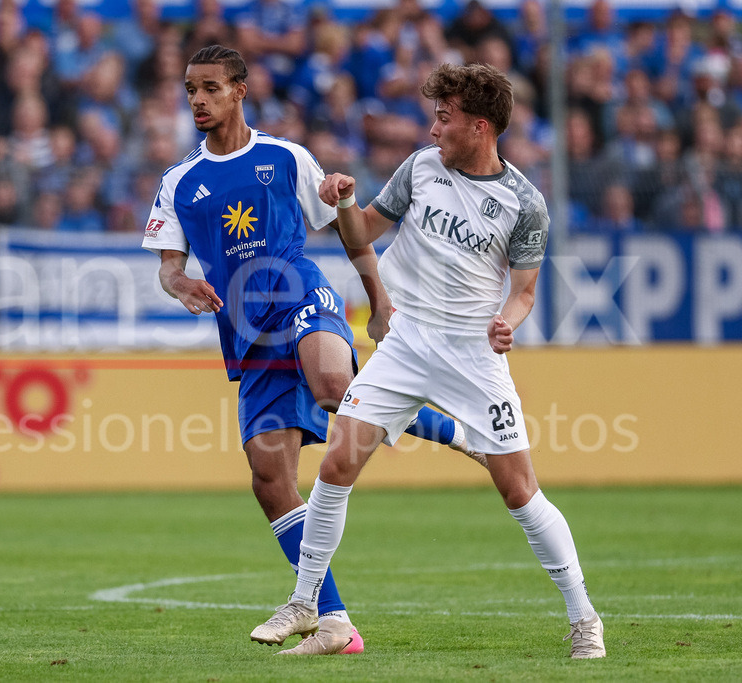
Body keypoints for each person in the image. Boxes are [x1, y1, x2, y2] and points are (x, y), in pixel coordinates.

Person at [251, 62, 606, 659]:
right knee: (337, 465)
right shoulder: (419, 168)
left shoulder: (524, 203)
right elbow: (362, 230)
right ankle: (307, 599)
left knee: (520, 491)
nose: (434, 127)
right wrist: (344, 201)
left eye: (446, 117)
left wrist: (508, 324)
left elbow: (524, 292)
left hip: (471, 353)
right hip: (407, 341)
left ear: (481, 126)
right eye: (435, 115)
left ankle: (584, 617)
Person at [142, 46, 482, 655]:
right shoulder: (178, 183)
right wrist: (182, 284)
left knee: (333, 391)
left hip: (301, 295)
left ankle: (463, 435)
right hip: (248, 333)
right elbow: (169, 268)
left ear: (240, 91)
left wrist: (377, 297)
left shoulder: (285, 158)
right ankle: (332, 623)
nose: (198, 100)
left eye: (211, 88)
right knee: (270, 480)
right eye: (191, 89)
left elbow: (351, 236)